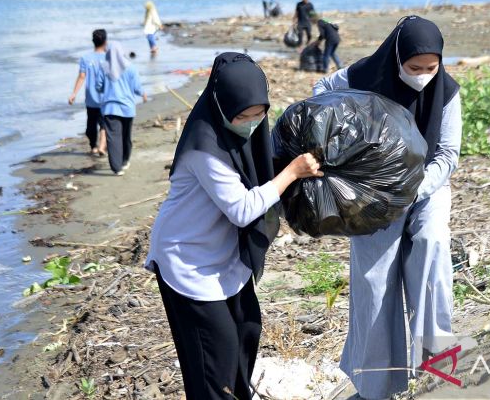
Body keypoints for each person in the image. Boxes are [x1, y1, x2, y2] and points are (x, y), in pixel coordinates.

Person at [145, 52, 322, 399]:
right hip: (188, 261)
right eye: (243, 116)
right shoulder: (204, 148)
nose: (252, 123)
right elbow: (242, 209)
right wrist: (292, 172)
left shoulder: (243, 131)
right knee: (213, 361)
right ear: (221, 106)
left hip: (223, 256)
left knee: (246, 334)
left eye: (260, 114)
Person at [313, 16, 462, 399]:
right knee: (374, 280)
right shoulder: (364, 75)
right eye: (415, 69)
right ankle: (375, 387)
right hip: (373, 193)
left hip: (425, 187)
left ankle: (438, 369)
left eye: (432, 68)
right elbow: (322, 91)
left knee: (432, 248)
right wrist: (337, 135)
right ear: (396, 58)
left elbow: (447, 155)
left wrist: (414, 190)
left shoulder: (446, 92)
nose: (424, 76)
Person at [96, 42, 147, 176]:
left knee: (113, 138)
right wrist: (143, 93)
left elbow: (98, 87)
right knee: (126, 136)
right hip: (127, 108)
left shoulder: (103, 67)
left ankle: (116, 168)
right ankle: (124, 161)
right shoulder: (130, 68)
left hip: (110, 108)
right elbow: (136, 87)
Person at [68, 29, 108, 157]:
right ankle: (102, 146)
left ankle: (94, 147)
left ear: (93, 42)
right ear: (105, 42)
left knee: (91, 125)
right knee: (104, 124)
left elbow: (81, 76)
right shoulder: (108, 58)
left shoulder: (86, 58)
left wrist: (74, 93)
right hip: (106, 97)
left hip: (91, 98)